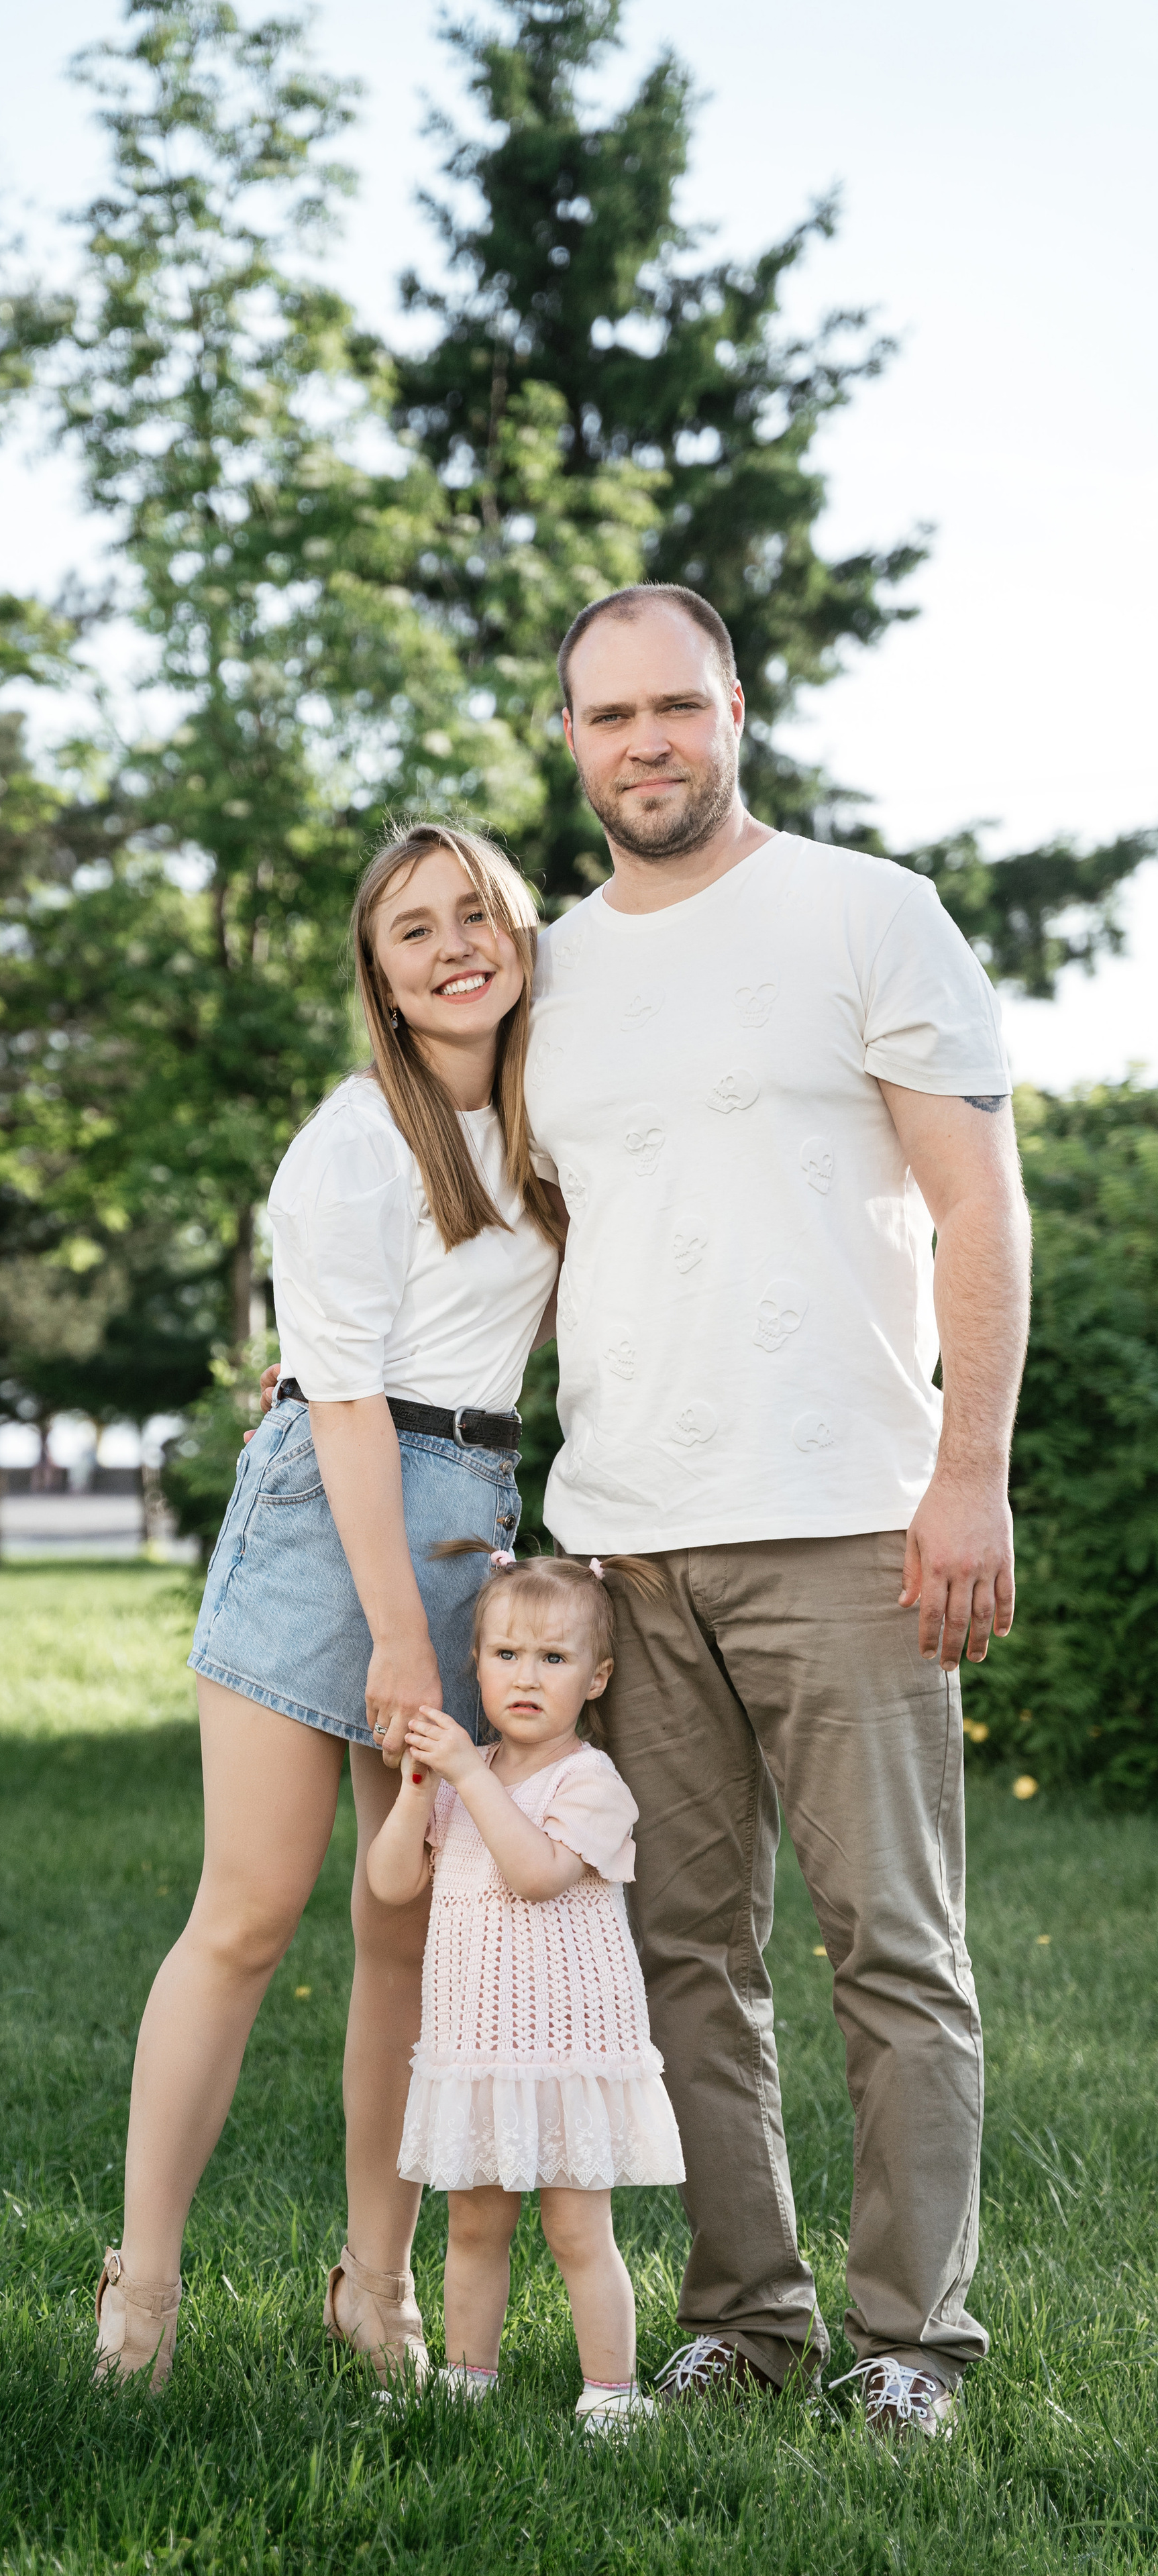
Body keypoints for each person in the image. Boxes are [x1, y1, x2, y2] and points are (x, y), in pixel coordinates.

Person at [527, 582, 1030, 2437]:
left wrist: (966, 1472)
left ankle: (912, 2343)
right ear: (569, 743)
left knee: (889, 1946)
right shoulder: (548, 970)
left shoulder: (864, 912)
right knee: (681, 1955)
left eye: (675, 706)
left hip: (842, 1516)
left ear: (733, 710)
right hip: (624, 1538)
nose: (645, 742)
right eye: (608, 717)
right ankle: (746, 2319)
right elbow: (513, 1231)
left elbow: (976, 1205)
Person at [94, 822, 564, 2391]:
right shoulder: (354, 1142)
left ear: (520, 933)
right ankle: (140, 2290)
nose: (451, 948)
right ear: (375, 969)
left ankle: (375, 2288)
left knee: (410, 1925)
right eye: (411, 929)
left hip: (468, 1512)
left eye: (475, 915)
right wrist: (394, 1633)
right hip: (334, 1509)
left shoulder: (547, 1122)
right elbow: (348, 1403)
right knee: (246, 1912)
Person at [366, 1546, 684, 2428]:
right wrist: (418, 1788)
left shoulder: (591, 1780)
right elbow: (392, 1883)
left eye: (554, 1658)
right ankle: (469, 2380)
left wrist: (469, 1777)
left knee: (576, 2230)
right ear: (476, 1664)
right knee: (474, 2224)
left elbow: (537, 1875)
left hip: (568, 2047)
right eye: (506, 1655)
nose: (527, 1677)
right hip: (477, 2044)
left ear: (596, 1678)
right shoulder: (462, 1775)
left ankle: (612, 2396)